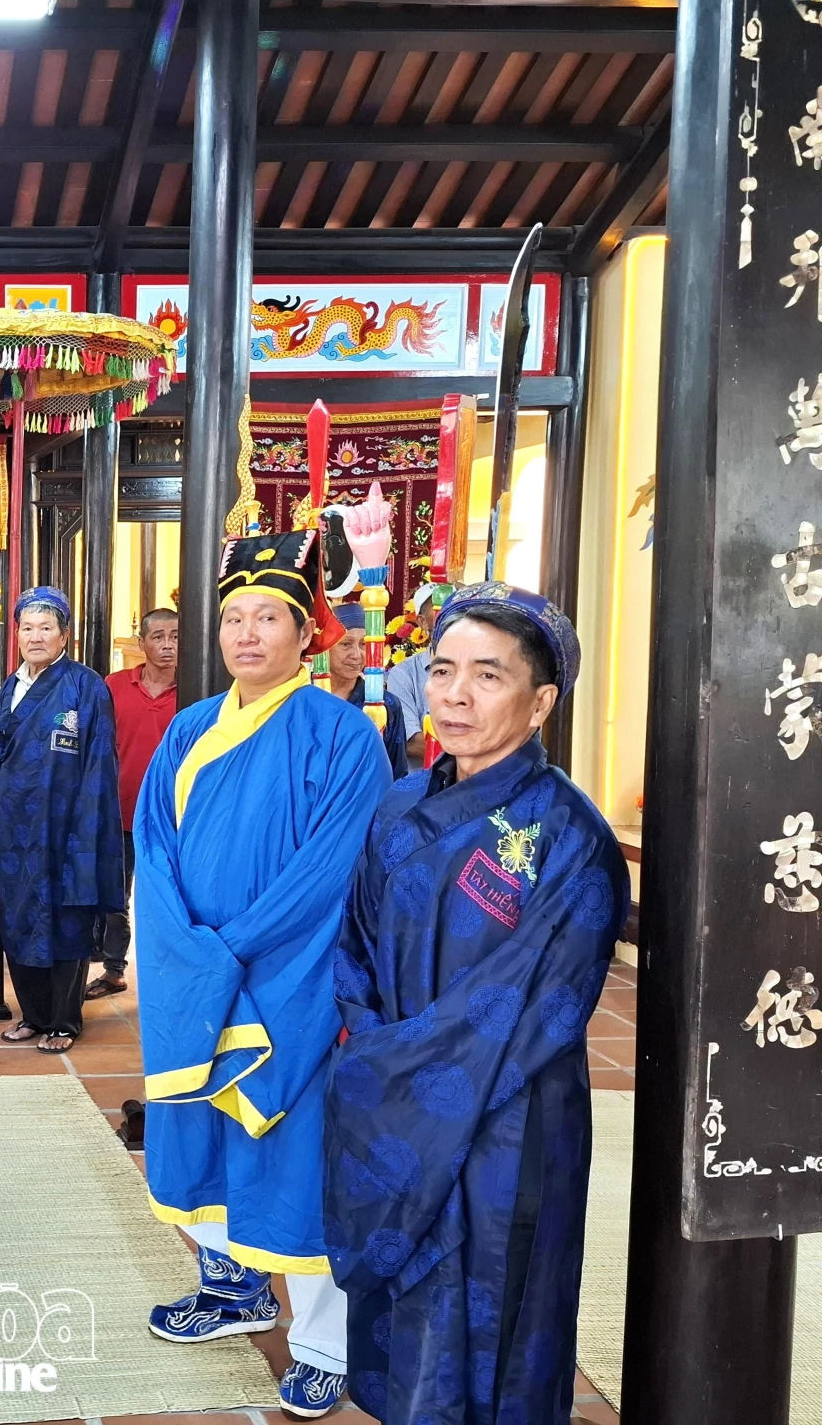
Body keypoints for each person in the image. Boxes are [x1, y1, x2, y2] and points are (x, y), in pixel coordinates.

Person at [325, 584, 627, 1425]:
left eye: (487, 677)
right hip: (395, 1113)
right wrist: (379, 1070)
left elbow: (536, 1007)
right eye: (443, 669)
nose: (453, 695)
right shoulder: (398, 807)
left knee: (501, 1325)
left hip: (510, 1125)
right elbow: (353, 952)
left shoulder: (572, 839)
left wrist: (390, 1075)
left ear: (541, 703)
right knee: (407, 1325)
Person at [138, 529, 390, 1419]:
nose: (247, 634)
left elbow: (331, 870)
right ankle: (229, 1286)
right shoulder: (189, 729)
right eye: (234, 617)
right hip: (195, 968)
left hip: (291, 971)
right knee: (193, 1134)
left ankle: (324, 1340)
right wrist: (185, 953)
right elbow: (154, 853)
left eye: (268, 617)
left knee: (294, 1145)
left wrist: (229, 951)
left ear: (304, 631)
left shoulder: (342, 736)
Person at [0, 585, 124, 1054]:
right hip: (16, 828)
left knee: (66, 920)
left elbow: (99, 763)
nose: (36, 636)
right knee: (20, 918)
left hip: (67, 827)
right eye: (28, 628)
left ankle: (65, 1021)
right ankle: (33, 1015)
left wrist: (89, 827)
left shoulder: (86, 686)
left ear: (65, 636)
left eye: (47, 628)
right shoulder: (11, 686)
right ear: (17, 635)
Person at [91, 608, 179, 999]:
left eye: (176, 636)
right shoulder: (113, 686)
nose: (167, 645)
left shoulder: (199, 687)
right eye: (158, 636)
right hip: (119, 810)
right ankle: (113, 970)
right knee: (115, 896)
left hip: (173, 815)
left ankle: (168, 977)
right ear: (141, 643)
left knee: (167, 897)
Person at [324, 601, 408, 781]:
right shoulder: (304, 698)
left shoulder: (386, 704)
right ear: (325, 648)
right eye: (346, 644)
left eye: (363, 644)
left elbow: (397, 774)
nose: (356, 654)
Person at [383, 586, 439, 766]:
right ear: (422, 622)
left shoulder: (478, 669)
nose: (450, 616)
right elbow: (412, 743)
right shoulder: (404, 674)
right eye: (439, 608)